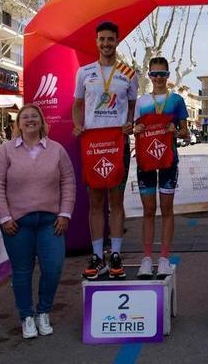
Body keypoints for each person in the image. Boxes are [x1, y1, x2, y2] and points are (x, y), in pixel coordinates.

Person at [0, 104, 76, 339]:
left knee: (54, 267)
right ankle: (26, 316)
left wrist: (65, 214)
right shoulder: (6, 151)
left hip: (51, 222)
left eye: (34, 116)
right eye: (24, 117)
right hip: (17, 223)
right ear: (18, 124)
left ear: (42, 121)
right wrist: (4, 217)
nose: (29, 120)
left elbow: (68, 182)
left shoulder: (57, 150)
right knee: (22, 271)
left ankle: (43, 311)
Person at [73, 21, 138, 280]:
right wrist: (78, 125)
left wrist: (130, 124)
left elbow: (132, 106)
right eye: (102, 39)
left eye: (111, 39)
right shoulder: (84, 72)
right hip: (93, 144)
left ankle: (116, 255)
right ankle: (98, 256)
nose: (106, 44)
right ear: (96, 42)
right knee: (96, 202)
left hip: (117, 144)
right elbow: (77, 104)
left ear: (117, 41)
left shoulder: (128, 73)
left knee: (117, 201)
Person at [132, 57, 189, 279]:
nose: (158, 78)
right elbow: (135, 127)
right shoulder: (141, 101)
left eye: (162, 74)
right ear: (149, 75)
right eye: (154, 74)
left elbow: (185, 132)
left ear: (168, 76)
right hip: (146, 161)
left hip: (168, 161)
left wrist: (176, 130)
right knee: (148, 211)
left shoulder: (176, 100)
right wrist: (136, 129)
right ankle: (147, 259)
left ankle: (163, 258)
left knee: (166, 211)